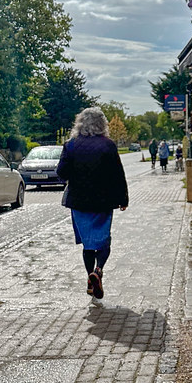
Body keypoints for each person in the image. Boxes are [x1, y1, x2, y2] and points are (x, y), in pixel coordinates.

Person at [56, 107, 129, 300]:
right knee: (104, 240)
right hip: (103, 202)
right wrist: (123, 199)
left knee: (88, 244)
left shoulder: (71, 145)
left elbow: (61, 173)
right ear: (102, 124)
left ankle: (90, 277)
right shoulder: (108, 145)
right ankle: (98, 270)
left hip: (79, 202)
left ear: (80, 123)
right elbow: (118, 175)